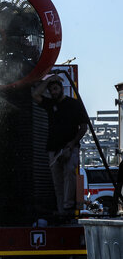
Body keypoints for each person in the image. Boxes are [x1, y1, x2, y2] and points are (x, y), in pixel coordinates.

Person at [32, 74, 89, 214]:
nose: (54, 92)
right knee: (58, 183)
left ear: (62, 88)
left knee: (69, 173)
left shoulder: (74, 104)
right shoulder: (51, 104)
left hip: (71, 147)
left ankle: (68, 206)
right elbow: (35, 95)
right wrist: (48, 80)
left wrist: (72, 144)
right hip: (53, 149)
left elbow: (84, 127)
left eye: (56, 89)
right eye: (51, 90)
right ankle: (62, 212)